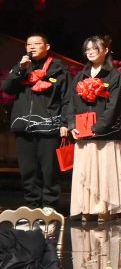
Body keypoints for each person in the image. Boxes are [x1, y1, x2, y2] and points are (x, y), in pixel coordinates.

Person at [2, 33, 70, 211]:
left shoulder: (58, 69)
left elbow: (66, 98)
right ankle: (33, 207)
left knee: (49, 170)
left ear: (47, 47)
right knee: (28, 171)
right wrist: (19, 69)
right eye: (28, 44)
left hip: (49, 127)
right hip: (23, 127)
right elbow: (7, 88)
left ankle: (49, 205)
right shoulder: (22, 67)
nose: (31, 47)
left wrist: (65, 123)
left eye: (36, 44)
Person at [68, 35, 121, 220]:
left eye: (95, 48)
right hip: (83, 133)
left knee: (104, 171)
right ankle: (86, 208)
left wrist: (98, 127)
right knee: (86, 171)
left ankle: (103, 208)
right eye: (87, 49)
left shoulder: (115, 76)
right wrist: (72, 125)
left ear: (106, 50)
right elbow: (70, 104)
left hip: (105, 134)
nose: (90, 52)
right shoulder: (80, 76)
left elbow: (113, 106)